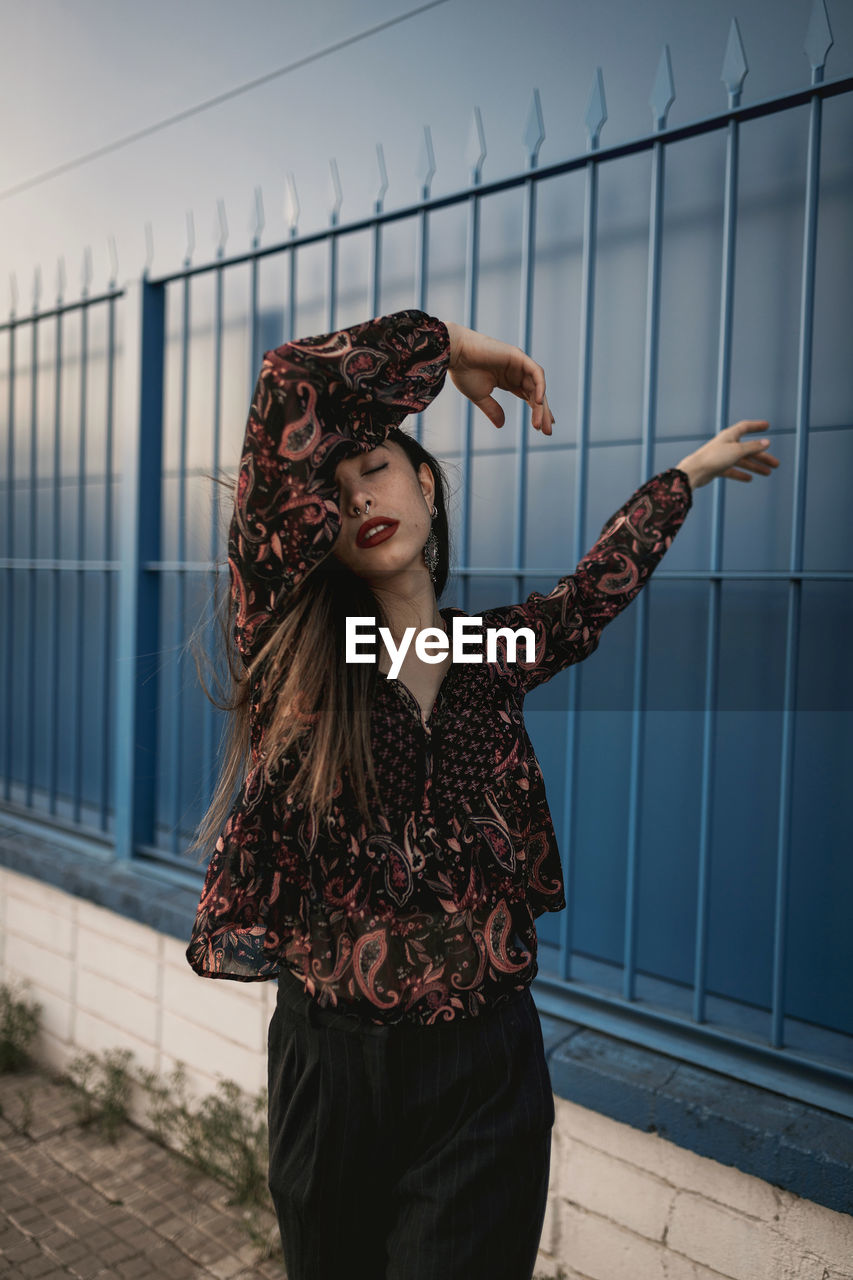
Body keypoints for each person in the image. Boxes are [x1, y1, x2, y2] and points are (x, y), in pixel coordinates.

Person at [185, 308, 779, 1279]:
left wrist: (686, 477)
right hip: (333, 1064)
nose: (355, 497)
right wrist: (456, 348)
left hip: (483, 1067)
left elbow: (588, 597)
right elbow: (291, 378)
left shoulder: (483, 650)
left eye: (373, 467)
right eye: (329, 490)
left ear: (425, 481)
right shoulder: (292, 641)